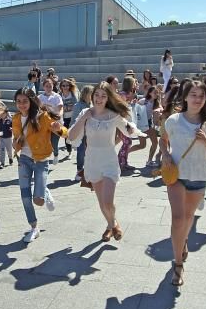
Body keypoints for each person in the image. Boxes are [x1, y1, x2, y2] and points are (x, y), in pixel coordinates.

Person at [160, 81, 206, 286]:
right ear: (185, 97)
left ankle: (183, 240)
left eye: (201, 96)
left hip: (199, 176)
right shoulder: (173, 120)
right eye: (193, 95)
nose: (197, 99)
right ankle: (178, 264)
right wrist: (165, 155)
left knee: (188, 219)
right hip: (176, 175)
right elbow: (163, 139)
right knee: (178, 219)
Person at [68, 82, 143, 242]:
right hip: (92, 162)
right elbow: (72, 136)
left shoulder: (113, 115)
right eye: (97, 95)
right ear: (92, 96)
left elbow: (128, 130)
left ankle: (112, 223)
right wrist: (85, 117)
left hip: (109, 161)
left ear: (108, 98)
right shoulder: (85, 113)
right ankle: (112, 225)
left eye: (103, 96)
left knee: (108, 202)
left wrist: (130, 129)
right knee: (102, 203)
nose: (99, 99)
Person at [12, 87, 66, 243]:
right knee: (25, 197)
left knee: (39, 200)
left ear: (31, 101)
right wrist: (17, 142)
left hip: (41, 160)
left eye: (25, 101)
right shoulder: (16, 119)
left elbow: (62, 131)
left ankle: (45, 192)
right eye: (18, 102)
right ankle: (34, 227)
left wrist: (59, 129)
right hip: (24, 160)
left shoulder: (42, 117)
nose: (21, 104)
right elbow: (17, 142)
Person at [37, 78, 63, 164]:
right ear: (43, 87)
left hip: (55, 124)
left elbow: (60, 108)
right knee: (44, 142)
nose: (48, 88)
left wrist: (59, 115)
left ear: (53, 86)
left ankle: (56, 154)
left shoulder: (56, 96)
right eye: (46, 86)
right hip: (44, 124)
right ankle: (44, 159)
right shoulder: (40, 97)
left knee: (54, 143)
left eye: (50, 86)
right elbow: (37, 110)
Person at [71, 85, 93, 183]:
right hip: (81, 134)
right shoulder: (78, 105)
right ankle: (79, 171)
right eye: (91, 93)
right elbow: (74, 121)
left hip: (92, 134)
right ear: (85, 94)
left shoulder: (93, 105)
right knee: (81, 152)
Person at [59, 78, 78, 156]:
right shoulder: (59, 95)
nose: (65, 87)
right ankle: (69, 151)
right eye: (63, 85)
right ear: (61, 87)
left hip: (72, 117)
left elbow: (75, 105)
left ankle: (75, 146)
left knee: (73, 133)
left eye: (67, 85)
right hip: (64, 118)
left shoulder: (73, 94)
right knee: (66, 134)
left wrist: (66, 107)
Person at [0, 103, 14, 168]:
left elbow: (13, 127)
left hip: (8, 138)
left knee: (9, 150)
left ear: (6, 114)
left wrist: (12, 129)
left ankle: (10, 158)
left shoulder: (9, 120)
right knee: (2, 150)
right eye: (1, 114)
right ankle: (2, 163)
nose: (1, 115)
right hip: (1, 138)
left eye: (3, 114)